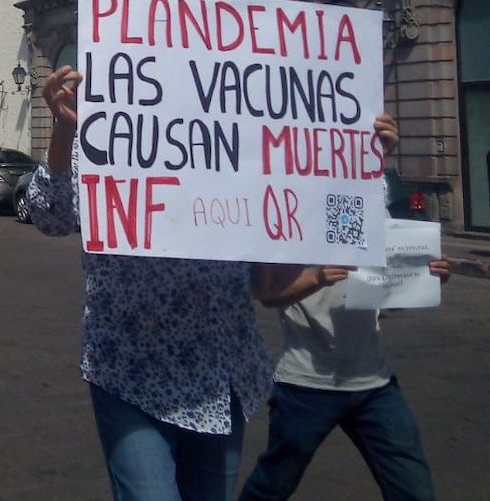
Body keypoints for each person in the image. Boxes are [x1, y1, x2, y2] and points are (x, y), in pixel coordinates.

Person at [26, 65, 300, 501]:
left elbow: (289, 247)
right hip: (130, 370)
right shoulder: (103, 140)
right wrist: (63, 129)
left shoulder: (241, 141)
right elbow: (50, 215)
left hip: (220, 370)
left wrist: (358, 161)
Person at [239, 114, 451, 501]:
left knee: (414, 489)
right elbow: (268, 295)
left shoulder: (370, 206)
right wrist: (316, 277)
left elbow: (384, 291)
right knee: (271, 487)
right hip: (306, 383)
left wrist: (426, 275)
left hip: (374, 382)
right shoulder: (286, 213)